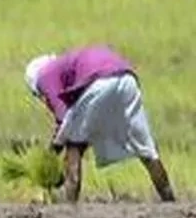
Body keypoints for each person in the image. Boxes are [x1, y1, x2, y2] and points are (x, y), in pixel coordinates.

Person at [24, 46, 174, 203]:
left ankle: (69, 210)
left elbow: (63, 119)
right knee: (147, 151)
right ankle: (170, 203)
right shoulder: (63, 66)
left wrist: (50, 156)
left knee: (73, 146)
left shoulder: (44, 77)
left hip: (98, 81)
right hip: (127, 78)